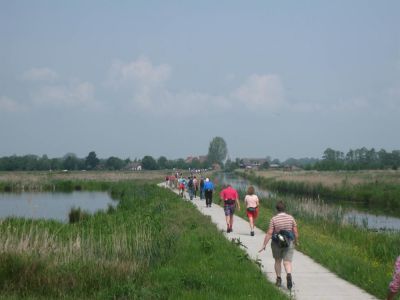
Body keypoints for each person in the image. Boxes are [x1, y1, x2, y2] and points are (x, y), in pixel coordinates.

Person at [259, 201, 299, 290]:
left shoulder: (274, 219)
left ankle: (278, 279)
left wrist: (264, 244)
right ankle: (288, 274)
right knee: (287, 262)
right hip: (288, 242)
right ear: (285, 208)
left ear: (277, 209)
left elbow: (269, 232)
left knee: (277, 261)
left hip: (277, 242)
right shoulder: (291, 218)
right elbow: (295, 231)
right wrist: (296, 241)